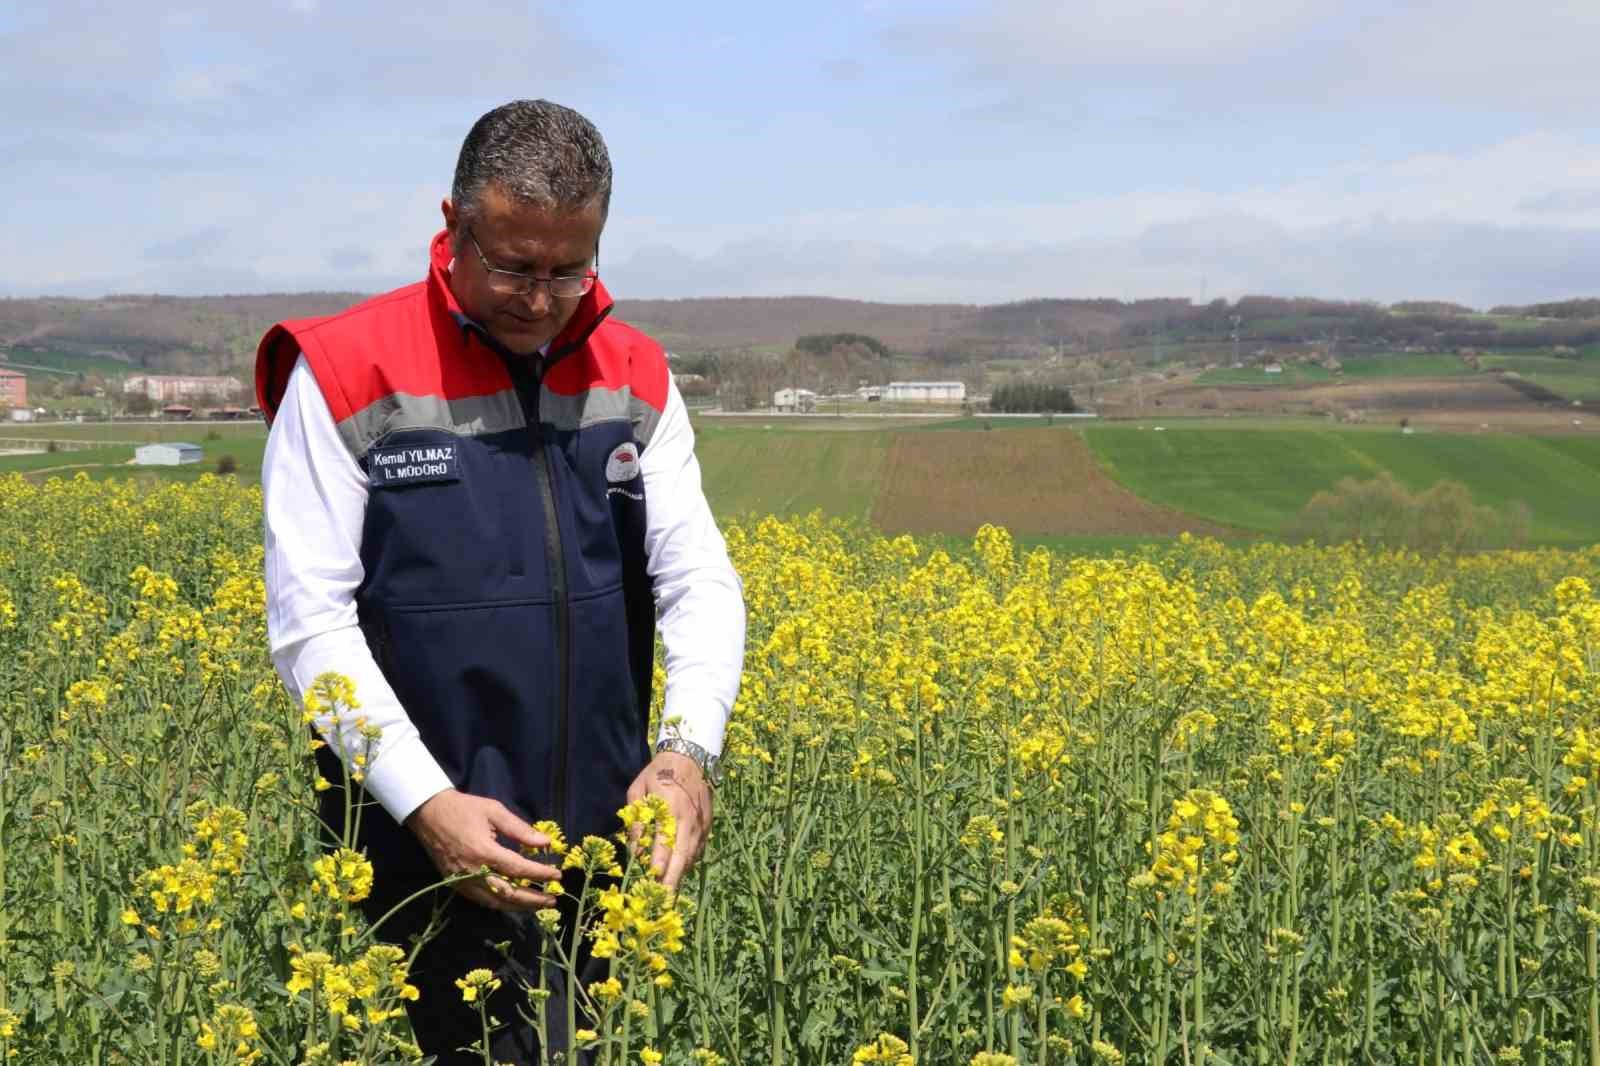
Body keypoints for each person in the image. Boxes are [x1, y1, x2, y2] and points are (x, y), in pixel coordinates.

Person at [256, 99, 746, 1063]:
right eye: (513, 265)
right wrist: (427, 805)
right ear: (453, 226)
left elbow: (698, 580)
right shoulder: (349, 370)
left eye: (571, 267)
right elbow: (308, 621)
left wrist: (688, 754)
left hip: (601, 851)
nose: (540, 297)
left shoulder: (637, 373)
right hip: (411, 851)